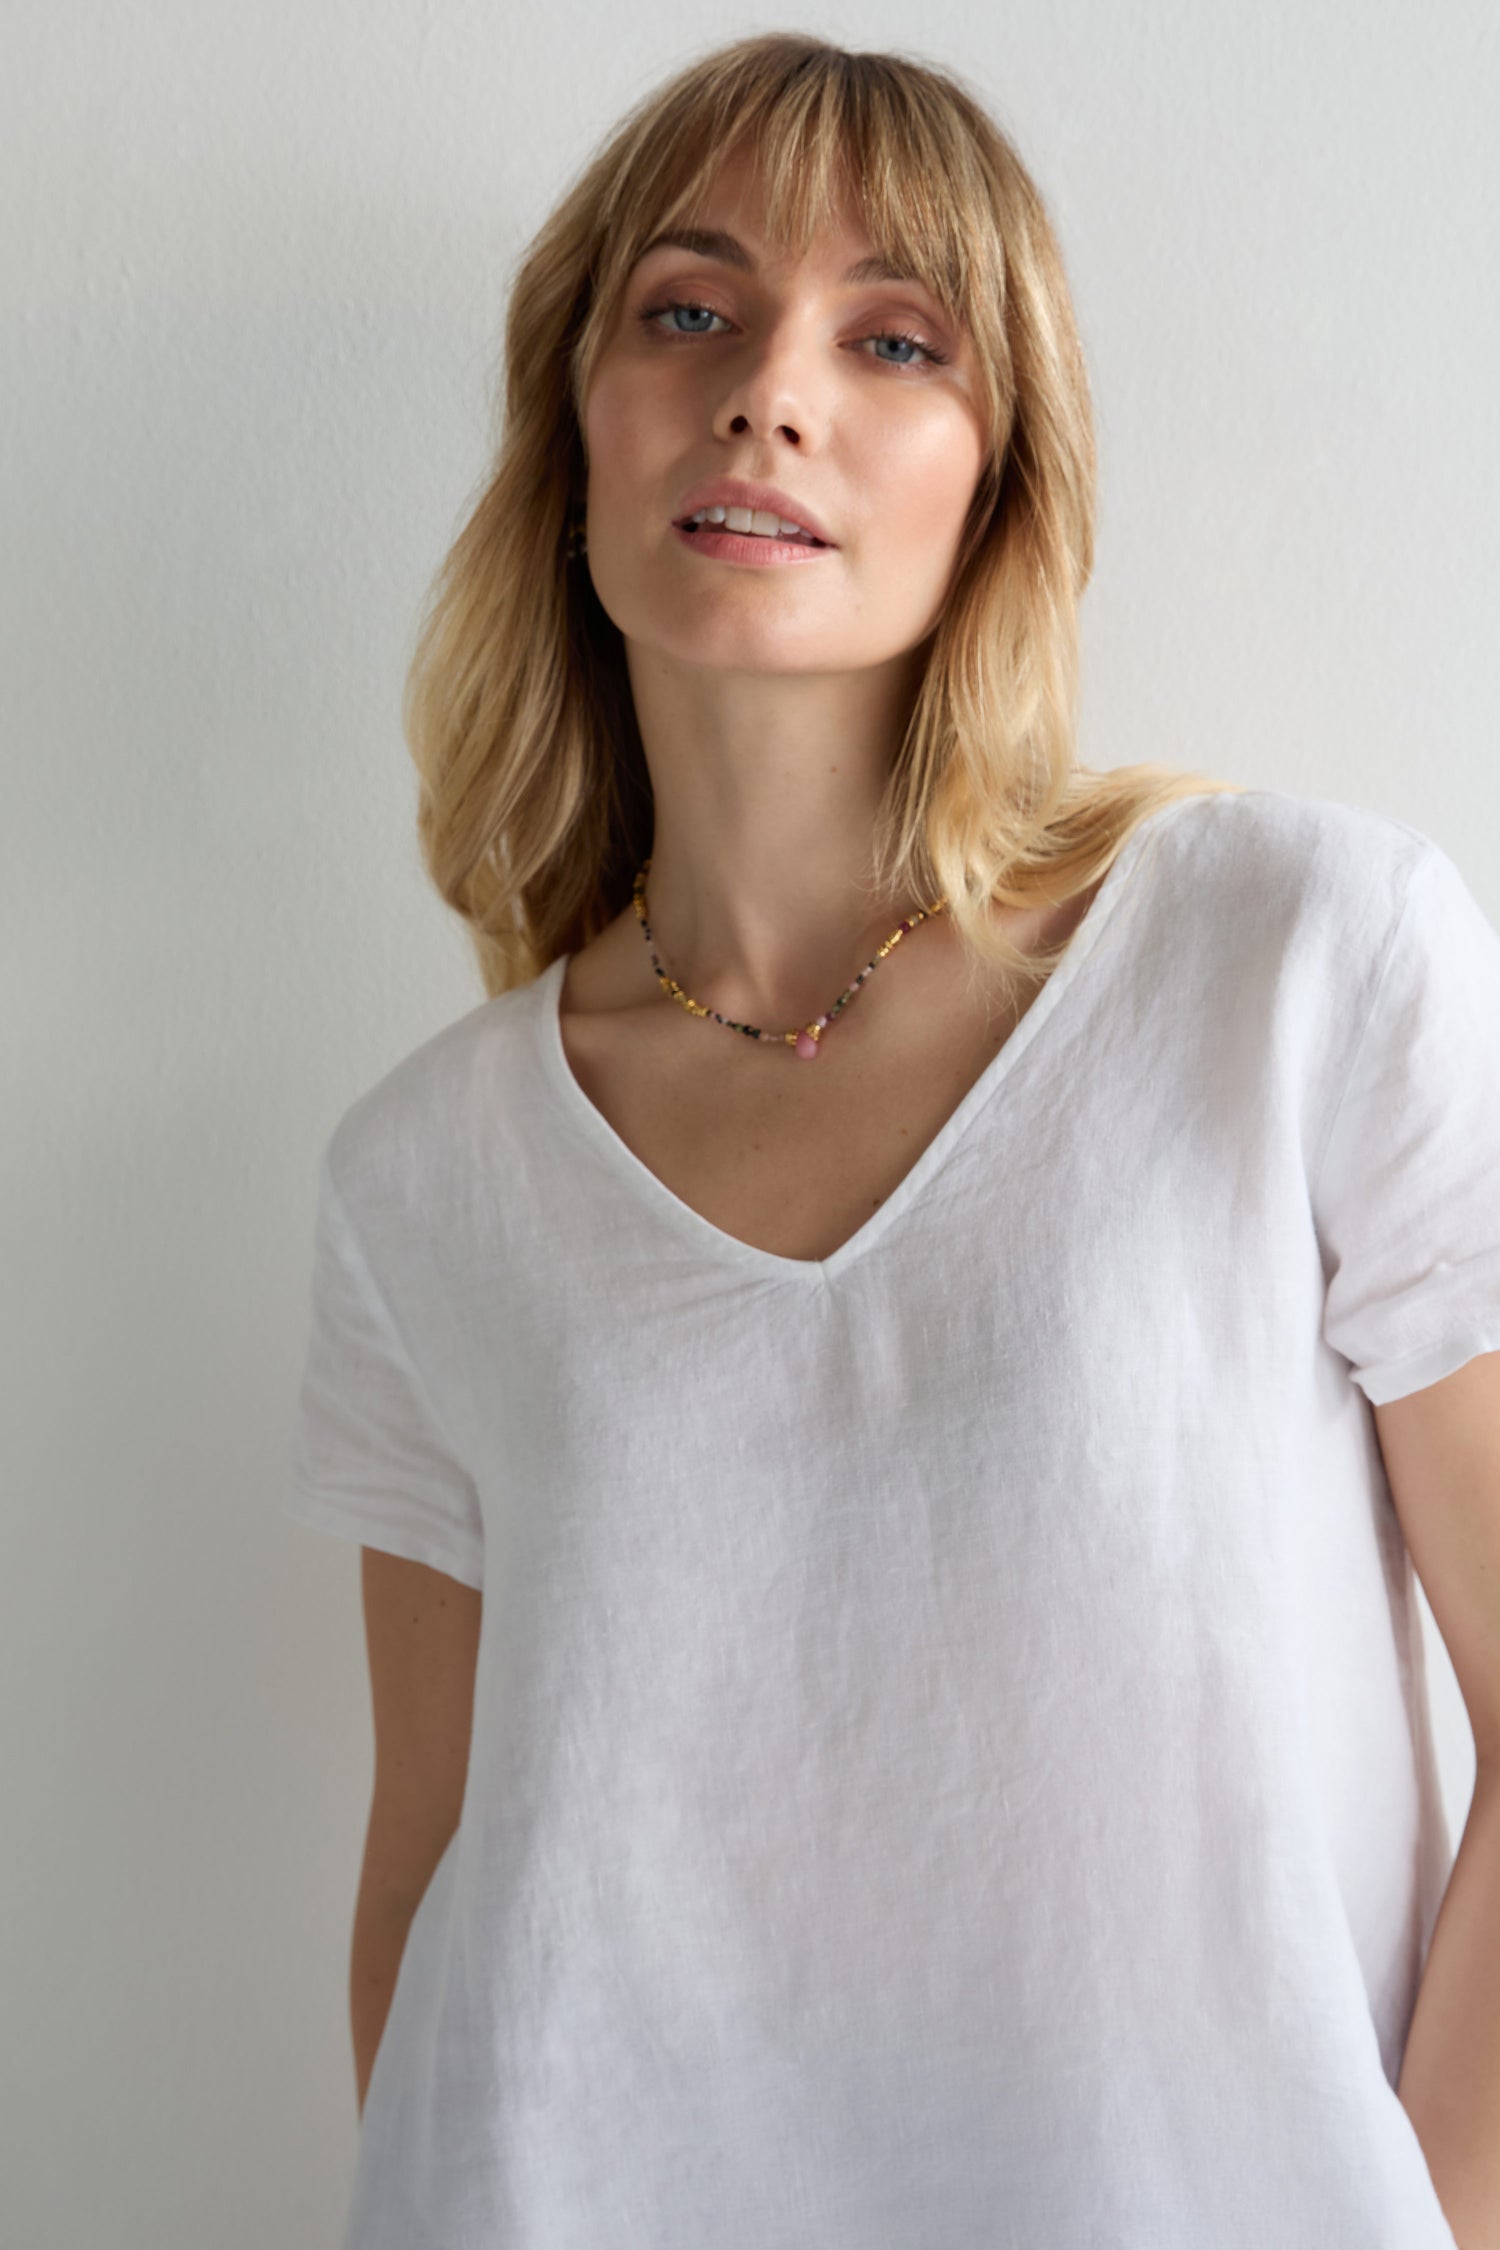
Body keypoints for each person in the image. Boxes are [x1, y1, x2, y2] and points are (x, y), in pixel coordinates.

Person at [284, 34, 1500, 2250]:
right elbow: (429, 1890)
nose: (769, 393)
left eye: (896, 338)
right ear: (574, 433)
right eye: (689, 309)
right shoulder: (422, 1181)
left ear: (999, 483)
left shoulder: (1298, 960)